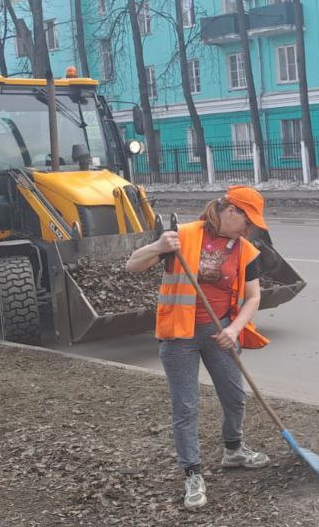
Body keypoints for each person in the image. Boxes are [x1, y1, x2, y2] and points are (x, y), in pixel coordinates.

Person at [125, 185, 273, 510]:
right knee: (186, 407)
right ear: (231, 210)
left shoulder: (246, 251)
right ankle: (192, 473)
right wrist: (157, 245)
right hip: (179, 335)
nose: (249, 229)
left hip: (219, 331)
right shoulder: (183, 236)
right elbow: (132, 265)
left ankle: (233, 449)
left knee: (235, 396)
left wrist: (234, 329)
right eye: (247, 221)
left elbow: (253, 297)